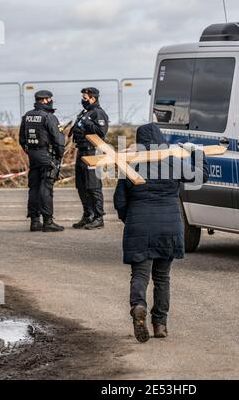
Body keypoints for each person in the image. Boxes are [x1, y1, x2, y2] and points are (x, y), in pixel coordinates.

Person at [113, 123, 209, 343]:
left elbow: (120, 201)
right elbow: (200, 177)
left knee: (140, 275)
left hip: (139, 225)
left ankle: (138, 306)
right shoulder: (173, 162)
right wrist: (198, 153)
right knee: (162, 277)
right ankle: (160, 324)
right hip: (169, 227)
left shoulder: (130, 164)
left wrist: (129, 219)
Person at [19, 90, 65, 232]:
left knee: (34, 188)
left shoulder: (27, 116)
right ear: (44, 100)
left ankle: (34, 221)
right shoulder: (49, 117)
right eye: (50, 99)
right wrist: (58, 156)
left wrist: (30, 152)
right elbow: (59, 140)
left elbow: (22, 139)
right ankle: (48, 221)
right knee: (46, 188)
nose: (51, 101)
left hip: (33, 155)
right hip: (47, 156)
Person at [70, 87, 109, 230]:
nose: (83, 100)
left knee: (93, 186)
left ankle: (99, 217)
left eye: (85, 98)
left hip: (92, 152)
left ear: (93, 98)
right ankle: (88, 215)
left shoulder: (98, 113)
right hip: (81, 151)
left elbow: (101, 132)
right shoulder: (84, 113)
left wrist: (87, 123)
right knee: (81, 186)